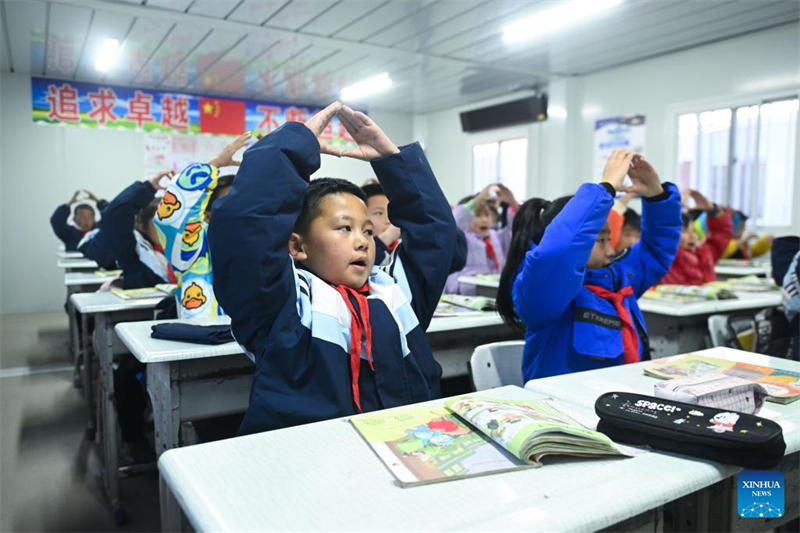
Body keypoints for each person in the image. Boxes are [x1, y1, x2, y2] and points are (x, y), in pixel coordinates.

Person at [209, 102, 464, 435]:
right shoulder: (281, 306)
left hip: (405, 448)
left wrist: (393, 163)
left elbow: (436, 234)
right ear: (297, 246)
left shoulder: (395, 295)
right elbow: (244, 227)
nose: (362, 242)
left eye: (368, 231)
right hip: (312, 463)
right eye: (345, 228)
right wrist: (292, 147)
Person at [496, 149, 682, 381]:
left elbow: (657, 249)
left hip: (619, 398)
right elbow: (559, 253)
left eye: (609, 238)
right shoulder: (544, 287)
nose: (611, 250)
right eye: (601, 240)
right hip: (563, 407)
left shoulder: (618, 275)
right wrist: (605, 189)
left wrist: (657, 196)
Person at [155, 133, 250, 318]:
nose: (242, 210)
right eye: (231, 202)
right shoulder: (196, 252)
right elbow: (172, 218)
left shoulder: (266, 245)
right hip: (208, 342)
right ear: (207, 215)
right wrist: (214, 164)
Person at [102, 171, 175, 289]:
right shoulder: (135, 254)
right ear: (143, 226)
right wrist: (149, 188)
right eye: (160, 223)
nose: (168, 229)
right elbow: (115, 216)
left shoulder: (185, 251)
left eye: (173, 222)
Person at [445, 183, 519, 295]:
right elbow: (455, 221)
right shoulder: (462, 236)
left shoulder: (496, 237)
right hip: (463, 292)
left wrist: (512, 203)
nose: (484, 220)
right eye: (478, 215)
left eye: (487, 215)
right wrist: (477, 200)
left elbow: (518, 231)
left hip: (492, 291)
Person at [660, 190, 732, 285]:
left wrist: (713, 211)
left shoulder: (705, 253)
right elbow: (658, 231)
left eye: (693, 230)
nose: (692, 236)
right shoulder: (665, 256)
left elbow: (721, 234)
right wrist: (674, 207)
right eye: (685, 231)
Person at [362, 182, 401, 266]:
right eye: (379, 213)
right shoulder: (356, 246)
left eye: (391, 213)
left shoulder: (403, 245)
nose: (388, 220)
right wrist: (387, 236)